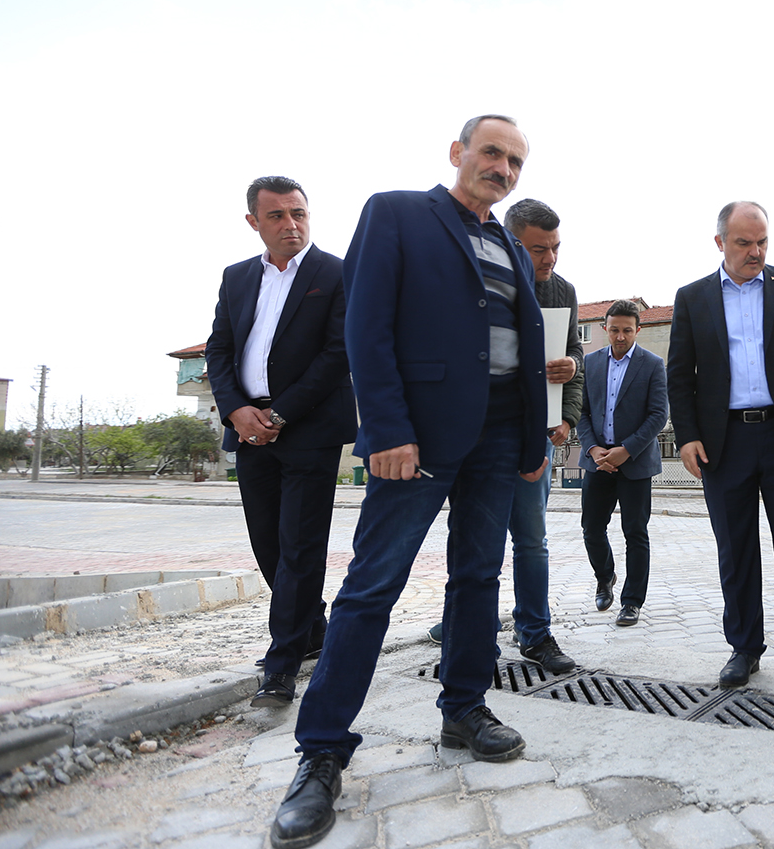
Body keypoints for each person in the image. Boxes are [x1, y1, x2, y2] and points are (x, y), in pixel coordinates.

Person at [268, 115, 549, 849]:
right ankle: (321, 750)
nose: (503, 168)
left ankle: (465, 709)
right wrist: (387, 429)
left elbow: (522, 351)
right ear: (458, 152)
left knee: (479, 577)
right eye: (491, 153)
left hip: (497, 437)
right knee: (372, 587)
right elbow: (365, 327)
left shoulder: (510, 247)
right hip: (416, 437)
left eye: (515, 161)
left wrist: (531, 440)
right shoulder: (396, 213)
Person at [666, 201, 774, 692]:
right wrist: (688, 434)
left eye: (762, 242)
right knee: (735, 549)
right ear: (720, 242)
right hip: (724, 441)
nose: (755, 252)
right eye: (744, 243)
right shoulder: (693, 298)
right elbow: (680, 374)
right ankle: (744, 648)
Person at [205, 176, 356, 709]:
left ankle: (282, 664)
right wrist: (236, 410)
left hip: (309, 428)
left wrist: (281, 412)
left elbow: (338, 353)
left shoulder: (337, 272)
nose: (291, 225)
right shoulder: (237, 277)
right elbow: (219, 350)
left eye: (299, 214)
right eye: (277, 216)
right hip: (249, 429)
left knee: (300, 547)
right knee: (267, 544)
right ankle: (312, 630)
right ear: (254, 222)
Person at [424, 197, 583, 675]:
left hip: (533, 435)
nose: (550, 259)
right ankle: (467, 628)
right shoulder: (473, 278)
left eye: (556, 248)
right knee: (472, 538)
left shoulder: (562, 290)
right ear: (509, 242)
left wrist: (569, 396)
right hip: (476, 433)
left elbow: (573, 354)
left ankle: (535, 633)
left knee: (531, 540)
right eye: (539, 249)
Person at [576, 299, 669, 627]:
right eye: (614, 329)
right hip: (597, 461)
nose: (620, 336)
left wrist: (626, 450)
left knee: (635, 532)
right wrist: (593, 450)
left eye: (627, 330)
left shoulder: (652, 364)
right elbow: (581, 412)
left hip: (635, 463)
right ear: (605, 328)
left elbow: (658, 415)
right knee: (591, 528)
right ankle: (605, 577)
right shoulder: (590, 362)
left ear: (637, 330)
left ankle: (632, 602)